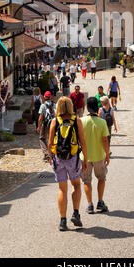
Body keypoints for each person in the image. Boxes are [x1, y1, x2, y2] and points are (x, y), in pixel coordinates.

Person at [48, 96, 88, 231]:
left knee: (62, 189)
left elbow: (49, 143)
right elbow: (83, 141)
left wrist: (50, 157)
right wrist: (85, 159)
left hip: (58, 158)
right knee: (76, 185)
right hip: (73, 157)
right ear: (71, 107)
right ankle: (76, 213)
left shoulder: (55, 121)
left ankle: (62, 221)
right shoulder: (76, 121)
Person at [80, 97, 110, 214]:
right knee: (101, 178)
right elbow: (105, 141)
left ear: (87, 107)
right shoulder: (102, 122)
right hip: (99, 156)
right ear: (97, 108)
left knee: (87, 181)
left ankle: (89, 204)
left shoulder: (81, 121)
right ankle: (100, 202)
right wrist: (107, 155)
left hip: (85, 157)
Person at [37, 91, 55, 162]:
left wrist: (38, 126)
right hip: (54, 123)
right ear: (50, 97)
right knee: (53, 138)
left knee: (42, 138)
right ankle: (53, 153)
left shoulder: (43, 105)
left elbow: (40, 117)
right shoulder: (55, 105)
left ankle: (46, 153)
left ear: (44, 97)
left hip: (45, 124)